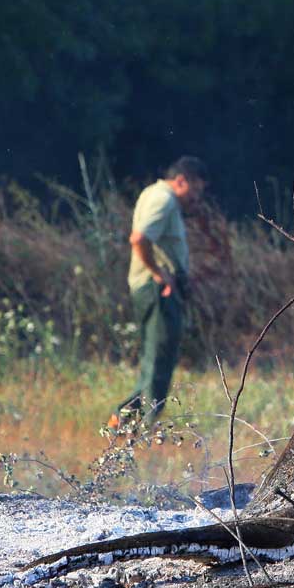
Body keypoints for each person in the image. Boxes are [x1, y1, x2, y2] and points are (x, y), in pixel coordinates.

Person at [109, 156, 206, 427]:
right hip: (158, 291)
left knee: (156, 362)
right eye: (196, 189)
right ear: (181, 180)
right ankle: (141, 430)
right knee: (158, 365)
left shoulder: (156, 196)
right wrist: (158, 273)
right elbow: (139, 239)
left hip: (158, 290)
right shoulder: (163, 199)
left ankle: (124, 425)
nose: (197, 197)